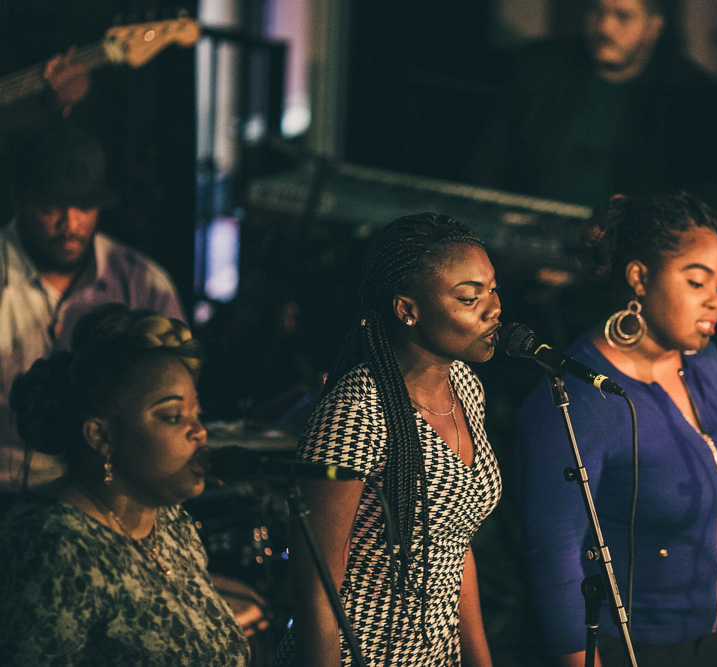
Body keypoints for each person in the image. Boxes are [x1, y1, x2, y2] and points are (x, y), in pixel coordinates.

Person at [515, 193, 717, 666]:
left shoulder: (704, 362)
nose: (715, 301)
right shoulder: (577, 397)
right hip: (630, 645)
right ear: (639, 278)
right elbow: (555, 552)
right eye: (696, 282)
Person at [275, 212, 503, 666]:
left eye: (493, 290)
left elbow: (454, 543)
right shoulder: (358, 410)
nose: (493, 308)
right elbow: (316, 585)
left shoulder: (465, 386)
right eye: (469, 297)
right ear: (407, 309)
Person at [0, 303, 249, 665]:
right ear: (101, 435)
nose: (199, 431)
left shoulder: (169, 522)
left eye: (198, 413)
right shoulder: (54, 548)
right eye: (172, 416)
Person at [0, 123, 185, 501]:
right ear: (19, 200)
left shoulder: (144, 283)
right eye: (50, 207)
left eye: (84, 206)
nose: (70, 224)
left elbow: (177, 401)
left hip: (109, 502)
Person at [470, 0, 717, 208]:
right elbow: (490, 156)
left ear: (654, 27)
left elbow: (693, 191)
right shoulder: (540, 64)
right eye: (597, 11)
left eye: (623, 16)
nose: (604, 27)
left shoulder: (687, 90)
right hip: (528, 218)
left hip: (625, 239)